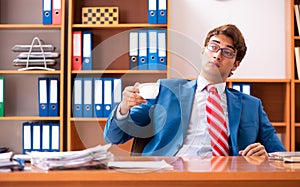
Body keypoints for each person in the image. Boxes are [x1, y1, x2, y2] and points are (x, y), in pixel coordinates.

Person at [104, 24, 286, 156]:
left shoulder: (252, 106)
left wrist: (266, 156)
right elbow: (115, 136)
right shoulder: (166, 91)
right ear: (203, 51)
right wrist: (124, 108)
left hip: (227, 181)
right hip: (170, 176)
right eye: (213, 47)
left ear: (235, 65)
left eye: (227, 52)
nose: (217, 55)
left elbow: (281, 155)